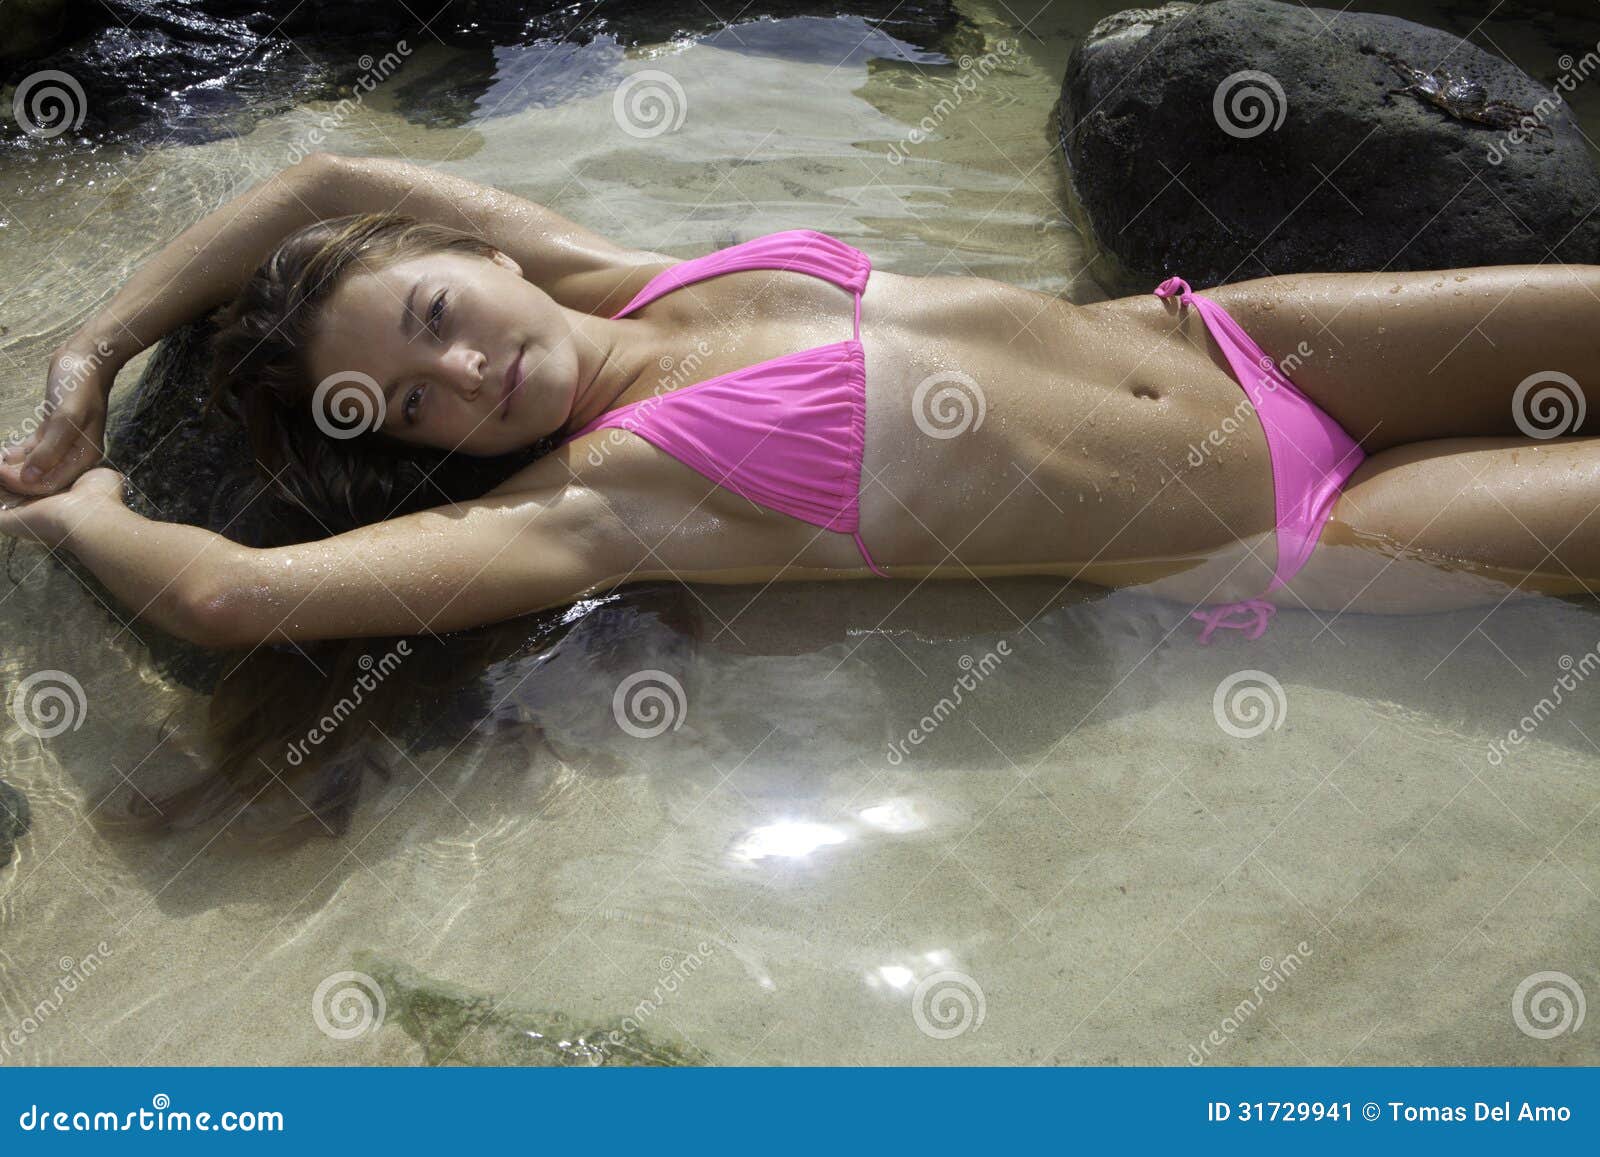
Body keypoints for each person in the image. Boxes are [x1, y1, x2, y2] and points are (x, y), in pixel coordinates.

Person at [3, 151, 1597, 650]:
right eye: (414, 409)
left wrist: (90, 353)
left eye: (438, 317)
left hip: (1252, 340)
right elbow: (229, 594)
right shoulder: (601, 498)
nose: (468, 376)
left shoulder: (624, 270)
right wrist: (83, 504)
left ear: (473, 254)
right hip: (1313, 527)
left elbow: (325, 178)